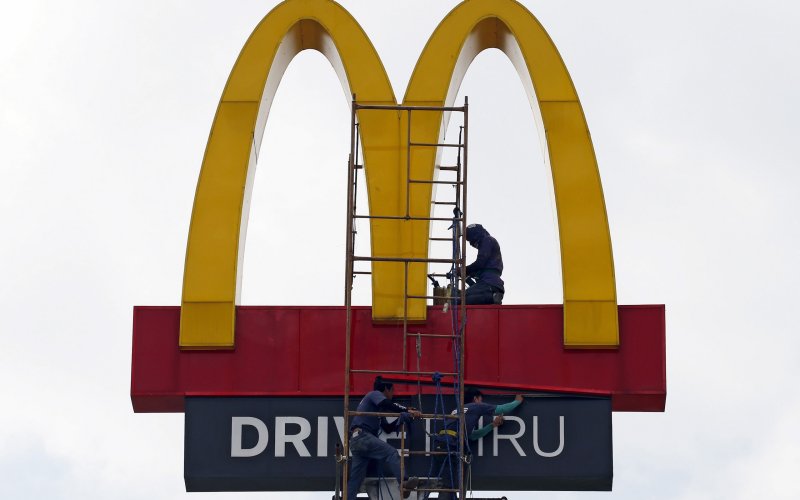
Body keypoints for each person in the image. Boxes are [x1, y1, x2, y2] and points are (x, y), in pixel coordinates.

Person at [432, 388, 523, 499]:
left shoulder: (458, 410)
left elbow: (472, 436)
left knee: (450, 482)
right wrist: (517, 401)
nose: (482, 402)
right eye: (481, 400)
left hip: (441, 444)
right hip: (450, 445)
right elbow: (501, 409)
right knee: (448, 485)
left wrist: (492, 425)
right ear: (475, 398)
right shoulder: (476, 406)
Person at [347, 377, 421, 500]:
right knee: (391, 453)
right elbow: (386, 403)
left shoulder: (375, 410)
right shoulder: (374, 394)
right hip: (363, 436)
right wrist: (406, 410)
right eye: (392, 391)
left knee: (356, 480)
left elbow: (387, 428)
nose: (393, 394)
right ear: (386, 389)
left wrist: (401, 418)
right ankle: (404, 483)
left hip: (357, 441)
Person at [463, 223, 504, 304]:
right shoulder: (488, 241)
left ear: (475, 234)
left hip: (488, 284)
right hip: (489, 284)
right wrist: (467, 275)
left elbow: (480, 263)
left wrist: (464, 270)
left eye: (470, 239)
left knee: (460, 298)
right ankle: (492, 297)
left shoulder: (487, 240)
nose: (471, 243)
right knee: (465, 296)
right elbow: (480, 270)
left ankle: (491, 297)